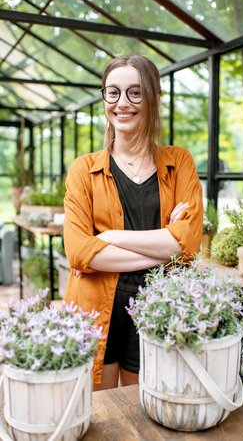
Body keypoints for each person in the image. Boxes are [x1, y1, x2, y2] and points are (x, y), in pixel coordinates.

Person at [63, 54, 203, 391]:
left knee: (151, 414)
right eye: (113, 93)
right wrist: (167, 247)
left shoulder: (179, 162)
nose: (122, 103)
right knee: (104, 416)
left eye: (135, 93)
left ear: (154, 99)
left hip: (161, 309)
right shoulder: (84, 169)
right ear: (104, 100)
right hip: (99, 310)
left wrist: (110, 237)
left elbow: (189, 243)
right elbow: (81, 253)